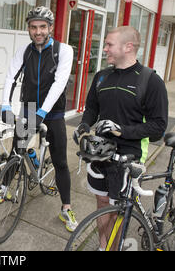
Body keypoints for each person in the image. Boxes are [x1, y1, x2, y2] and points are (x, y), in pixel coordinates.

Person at [73, 26, 168, 249]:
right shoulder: (102, 76)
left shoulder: (150, 81)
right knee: (102, 202)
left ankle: (114, 248)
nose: (104, 49)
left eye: (109, 44)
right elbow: (91, 108)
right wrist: (85, 126)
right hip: (99, 152)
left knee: (117, 210)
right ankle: (103, 246)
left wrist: (121, 130)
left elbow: (158, 128)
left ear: (128, 47)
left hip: (128, 157)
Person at [0, 7, 78, 232]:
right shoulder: (25, 51)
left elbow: (60, 82)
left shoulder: (63, 50)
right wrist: (6, 104)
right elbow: (10, 76)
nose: (38, 31)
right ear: (28, 29)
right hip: (28, 109)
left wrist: (42, 112)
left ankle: (66, 207)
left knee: (61, 161)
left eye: (42, 27)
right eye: (33, 27)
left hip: (52, 114)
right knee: (16, 152)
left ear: (50, 28)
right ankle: (3, 187)